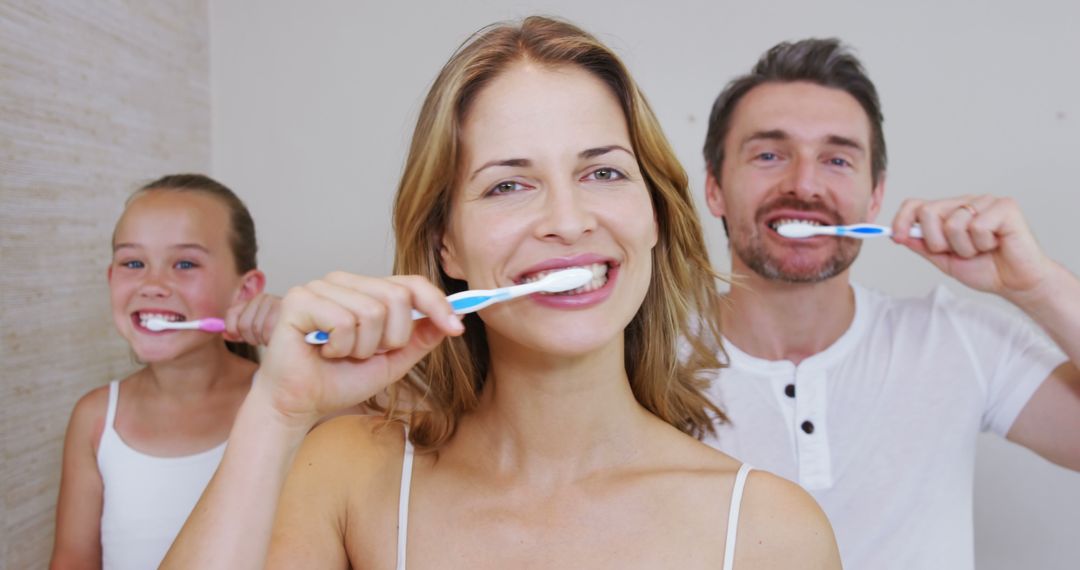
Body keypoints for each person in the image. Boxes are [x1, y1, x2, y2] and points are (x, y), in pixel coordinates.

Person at [162, 17, 841, 570]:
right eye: (508, 185)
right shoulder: (347, 476)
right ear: (445, 243)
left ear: (655, 216)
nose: (568, 220)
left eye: (603, 172)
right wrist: (276, 413)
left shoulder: (769, 532)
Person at [700, 38, 1080, 569]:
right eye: (769, 154)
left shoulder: (959, 340)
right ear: (715, 186)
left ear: (874, 195)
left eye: (836, 159)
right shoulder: (639, 362)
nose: (804, 184)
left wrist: (1036, 285)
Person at [49, 174, 278, 570]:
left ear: (245, 291)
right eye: (133, 262)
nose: (152, 284)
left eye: (185, 263)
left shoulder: (288, 405)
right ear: (110, 279)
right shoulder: (95, 418)